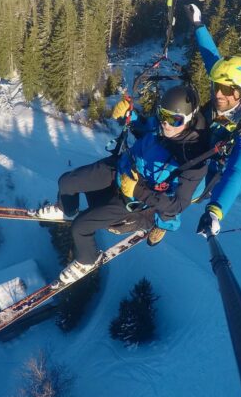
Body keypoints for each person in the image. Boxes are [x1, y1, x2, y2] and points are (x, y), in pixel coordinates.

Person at [37, 85, 209, 284]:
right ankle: (66, 209)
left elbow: (176, 206)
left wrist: (138, 191)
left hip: (135, 199)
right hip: (121, 168)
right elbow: (144, 128)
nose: (166, 124)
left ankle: (87, 260)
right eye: (162, 115)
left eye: (174, 120)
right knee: (66, 182)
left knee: (80, 228)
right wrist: (129, 115)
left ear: (189, 119)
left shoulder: (193, 159)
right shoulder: (163, 125)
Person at [184, 3, 241, 238]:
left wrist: (215, 211)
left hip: (211, 169)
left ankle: (160, 217)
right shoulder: (228, 92)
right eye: (215, 86)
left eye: (226, 89)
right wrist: (198, 24)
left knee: (186, 191)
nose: (218, 94)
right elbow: (211, 57)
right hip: (202, 142)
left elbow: (240, 171)